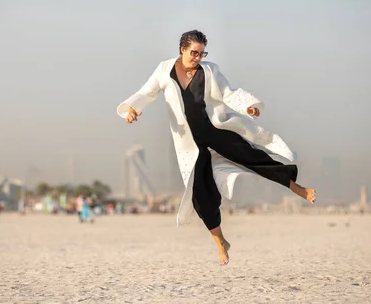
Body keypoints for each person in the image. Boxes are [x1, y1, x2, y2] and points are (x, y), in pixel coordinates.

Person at [117, 30, 316, 266]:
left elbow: (228, 93)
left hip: (215, 130)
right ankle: (220, 242)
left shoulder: (209, 70)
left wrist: (248, 107)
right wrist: (131, 108)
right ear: (182, 49)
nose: (198, 58)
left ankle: (295, 186)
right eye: (194, 53)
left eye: (202, 53)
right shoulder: (164, 70)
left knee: (250, 156)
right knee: (201, 194)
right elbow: (145, 93)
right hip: (190, 143)